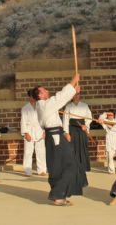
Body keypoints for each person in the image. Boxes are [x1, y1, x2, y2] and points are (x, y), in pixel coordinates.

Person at [33, 73, 85, 206]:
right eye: (44, 90)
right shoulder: (45, 105)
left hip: (53, 136)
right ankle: (57, 194)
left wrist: (74, 89)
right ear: (39, 95)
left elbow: (60, 99)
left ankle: (59, 195)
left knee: (56, 166)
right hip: (56, 136)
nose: (47, 91)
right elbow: (61, 97)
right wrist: (73, 81)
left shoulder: (41, 106)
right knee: (70, 164)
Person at [63, 93, 92, 172]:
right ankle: (73, 166)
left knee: (82, 146)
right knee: (72, 147)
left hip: (82, 128)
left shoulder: (84, 106)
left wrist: (85, 125)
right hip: (72, 128)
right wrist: (66, 133)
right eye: (74, 95)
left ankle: (83, 165)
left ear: (79, 96)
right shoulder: (68, 106)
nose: (76, 96)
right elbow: (65, 120)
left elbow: (89, 117)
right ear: (72, 96)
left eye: (77, 95)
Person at [21, 89, 47, 177]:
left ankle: (42, 170)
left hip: (40, 130)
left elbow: (44, 119)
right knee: (28, 152)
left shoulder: (40, 106)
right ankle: (27, 171)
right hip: (29, 131)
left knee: (41, 151)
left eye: (34, 96)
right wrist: (25, 133)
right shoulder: (25, 108)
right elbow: (23, 122)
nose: (33, 98)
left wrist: (45, 131)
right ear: (29, 97)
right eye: (32, 96)